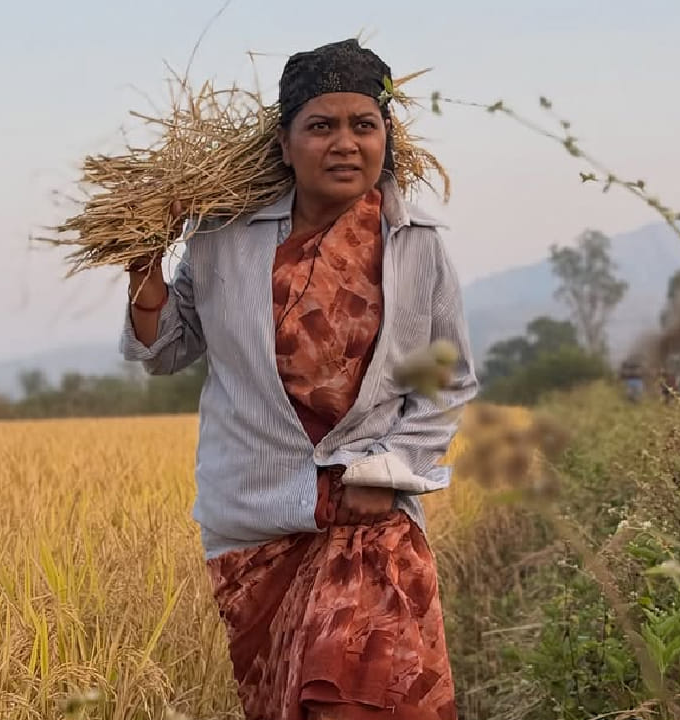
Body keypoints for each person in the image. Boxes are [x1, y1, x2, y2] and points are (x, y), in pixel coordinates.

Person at [121, 38, 477, 720]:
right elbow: (165, 352)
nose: (344, 143)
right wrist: (145, 273)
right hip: (257, 521)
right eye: (321, 126)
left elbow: (448, 380)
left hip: (371, 523)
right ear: (285, 144)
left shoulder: (416, 241)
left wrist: (392, 469)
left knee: (351, 702)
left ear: (385, 137)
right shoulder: (223, 238)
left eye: (362, 125)